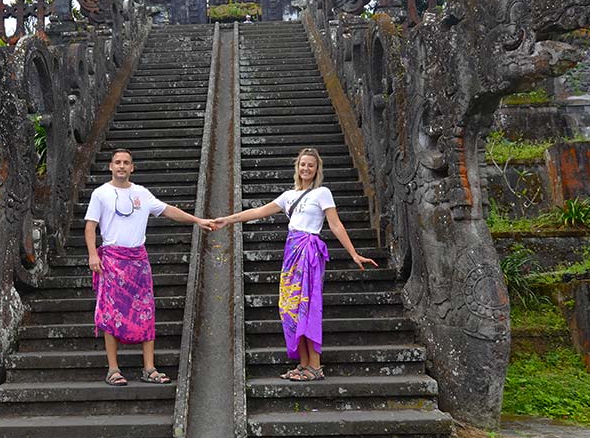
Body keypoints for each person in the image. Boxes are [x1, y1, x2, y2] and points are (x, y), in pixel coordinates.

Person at [215, 147, 376, 381]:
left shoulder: (322, 193)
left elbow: (336, 224)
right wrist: (227, 220)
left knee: (307, 305)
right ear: (297, 167)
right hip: (291, 252)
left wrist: (353, 253)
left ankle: (315, 366)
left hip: (309, 252)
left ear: (317, 168)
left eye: (311, 165)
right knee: (289, 307)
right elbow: (258, 212)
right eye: (303, 164)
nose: (306, 168)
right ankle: (303, 363)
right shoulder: (288, 196)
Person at [85, 147, 215, 386]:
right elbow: (90, 227)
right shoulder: (100, 194)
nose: (122, 166)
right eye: (117, 162)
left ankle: (149, 368)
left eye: (126, 162)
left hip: (138, 261)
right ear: (110, 167)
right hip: (112, 260)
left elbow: (168, 211)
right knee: (111, 315)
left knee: (146, 311)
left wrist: (197, 221)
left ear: (132, 167)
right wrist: (94, 255)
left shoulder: (142, 193)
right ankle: (113, 369)